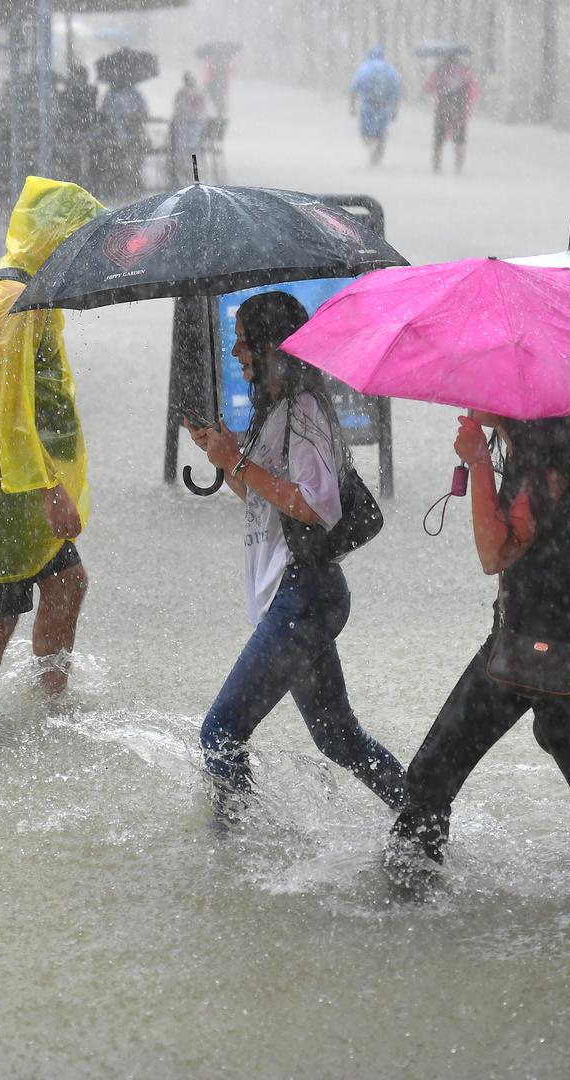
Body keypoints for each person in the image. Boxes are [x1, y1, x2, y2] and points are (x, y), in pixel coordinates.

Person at [388, 412, 570, 901]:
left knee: (433, 775)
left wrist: (478, 463)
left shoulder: (540, 469)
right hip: (553, 652)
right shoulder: (560, 455)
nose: (471, 398)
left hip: (534, 657)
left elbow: (494, 555)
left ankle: (404, 904)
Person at [184, 292, 407, 813]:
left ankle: (235, 851)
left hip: (302, 597)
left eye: (244, 343)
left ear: (272, 348)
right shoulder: (276, 411)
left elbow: (315, 507)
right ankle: (419, 813)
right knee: (338, 737)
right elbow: (266, 503)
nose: (236, 353)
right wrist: (225, 458)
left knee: (221, 732)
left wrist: (238, 462)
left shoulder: (304, 411)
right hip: (300, 597)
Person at [0, 177, 105, 718]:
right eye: (78, 242)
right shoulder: (11, 301)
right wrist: (48, 489)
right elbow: (9, 413)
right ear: (55, 238)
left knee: (67, 583)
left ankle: (49, 704)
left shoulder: (33, 288)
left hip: (20, 472)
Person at [424, 52, 479, 173]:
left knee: (439, 139)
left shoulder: (440, 71)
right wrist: (468, 106)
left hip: (442, 110)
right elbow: (474, 92)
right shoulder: (465, 72)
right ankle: (459, 166)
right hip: (460, 111)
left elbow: (428, 87)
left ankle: (436, 165)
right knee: (460, 139)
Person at [349, 47, 403, 166]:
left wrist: (352, 106)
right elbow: (398, 92)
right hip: (385, 107)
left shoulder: (365, 68)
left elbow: (354, 87)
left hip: (368, 105)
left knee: (365, 133)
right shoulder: (390, 70)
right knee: (381, 133)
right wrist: (395, 111)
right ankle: (377, 152)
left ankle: (371, 146)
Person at [97, 81, 150, 196]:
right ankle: (119, 185)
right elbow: (105, 114)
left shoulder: (136, 94)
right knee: (117, 162)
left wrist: (134, 119)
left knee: (133, 162)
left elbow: (144, 113)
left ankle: (133, 185)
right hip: (114, 136)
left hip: (133, 136)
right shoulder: (110, 95)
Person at [167, 72, 209, 186]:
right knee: (192, 152)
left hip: (187, 128)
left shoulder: (182, 94)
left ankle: (182, 177)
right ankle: (194, 176)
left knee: (182, 151)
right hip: (196, 128)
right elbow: (204, 114)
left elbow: (177, 112)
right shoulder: (200, 93)